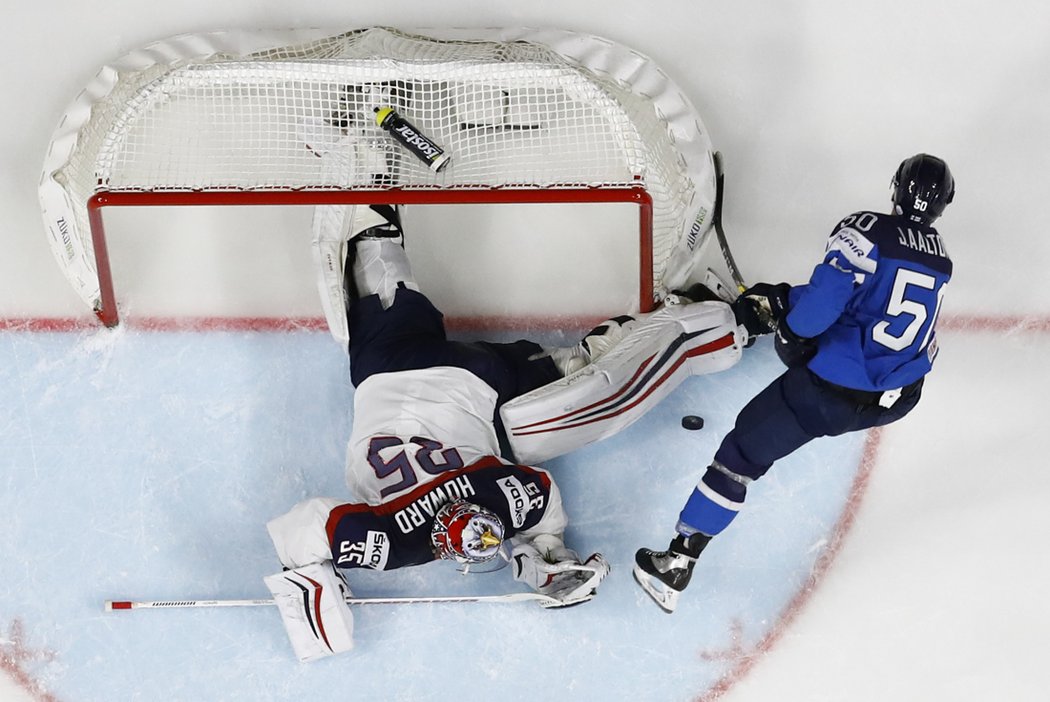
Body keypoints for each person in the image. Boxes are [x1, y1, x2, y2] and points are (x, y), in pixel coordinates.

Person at [263, 196, 777, 660]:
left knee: (592, 391)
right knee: (379, 264)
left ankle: (710, 324)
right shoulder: (393, 540)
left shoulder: (493, 501)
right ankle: (372, 182)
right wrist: (313, 586)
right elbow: (298, 527)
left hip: (476, 381)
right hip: (387, 369)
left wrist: (549, 556)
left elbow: (538, 493)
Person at [634, 153, 956, 613]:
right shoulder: (941, 259)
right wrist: (783, 299)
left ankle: (678, 561)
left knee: (738, 458)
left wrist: (793, 330)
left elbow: (829, 297)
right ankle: (766, 314)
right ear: (945, 202)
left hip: (824, 394)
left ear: (896, 186)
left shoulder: (868, 229)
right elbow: (884, 311)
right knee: (790, 316)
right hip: (887, 397)